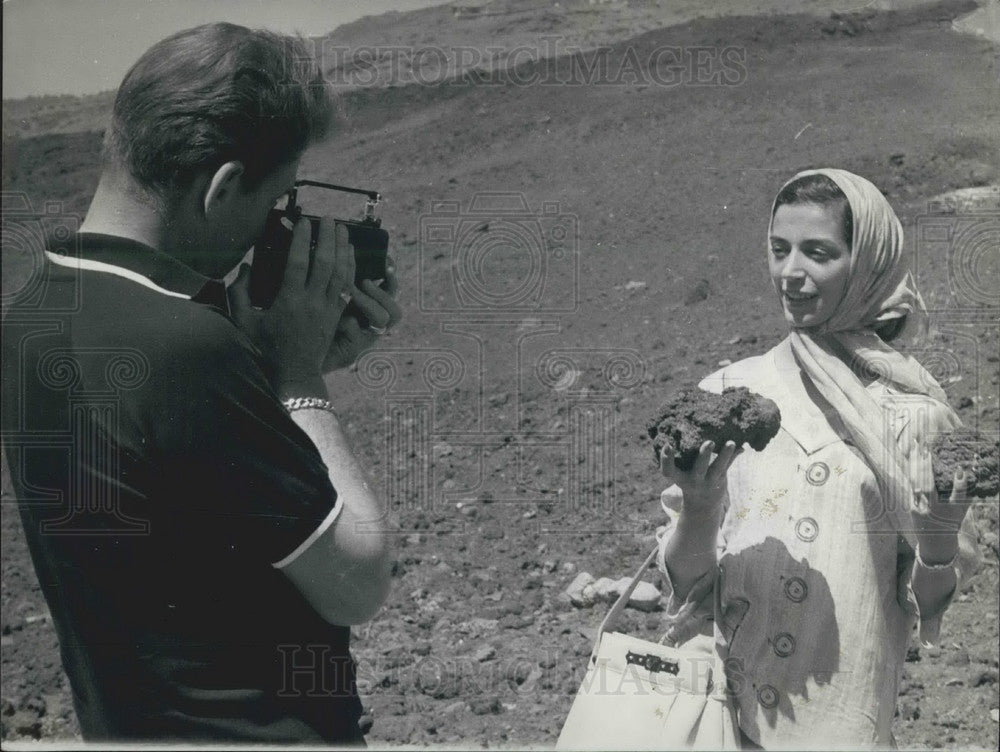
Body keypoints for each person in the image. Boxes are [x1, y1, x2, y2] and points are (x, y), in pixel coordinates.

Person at [1, 23, 401, 744]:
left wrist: (265, 367)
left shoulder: (33, 310)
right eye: (277, 201)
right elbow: (358, 579)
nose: (277, 226)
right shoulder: (187, 347)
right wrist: (299, 375)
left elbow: (173, 486)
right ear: (221, 188)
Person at [655, 168, 981, 748]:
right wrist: (700, 511)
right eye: (780, 250)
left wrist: (935, 547)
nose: (791, 274)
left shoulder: (914, 417)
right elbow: (686, 588)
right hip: (721, 721)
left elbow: (928, 608)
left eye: (819, 253)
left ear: (867, 263)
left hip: (839, 725)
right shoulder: (730, 391)